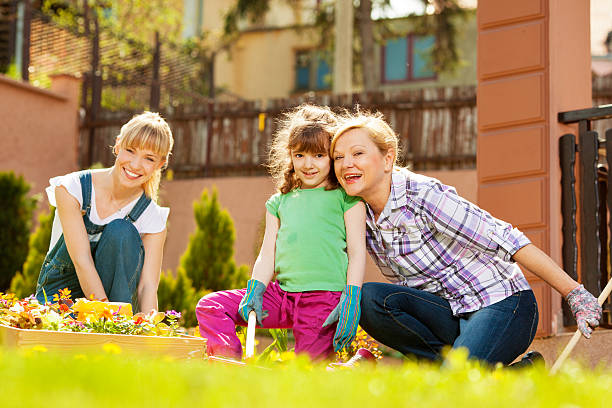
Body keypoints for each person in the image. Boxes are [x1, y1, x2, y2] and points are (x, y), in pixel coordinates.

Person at [330, 110, 602, 366]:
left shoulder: (422, 196)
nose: (347, 164)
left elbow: (507, 238)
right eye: (339, 157)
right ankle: (512, 374)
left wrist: (574, 293)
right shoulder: (356, 212)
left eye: (358, 153)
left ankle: (455, 375)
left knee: (458, 380)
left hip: (500, 303)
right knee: (370, 299)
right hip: (448, 312)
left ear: (388, 159)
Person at [196, 104, 366, 360]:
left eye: (318, 155)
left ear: (332, 156)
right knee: (211, 305)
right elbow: (267, 254)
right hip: (282, 296)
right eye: (299, 155)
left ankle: (360, 363)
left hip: (323, 302)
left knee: (306, 374)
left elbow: (356, 253)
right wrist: (256, 288)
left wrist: (351, 299)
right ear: (290, 157)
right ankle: (226, 361)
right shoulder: (279, 202)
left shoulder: (346, 198)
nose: (308, 164)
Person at [35, 111, 174, 313]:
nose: (135, 164)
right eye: (130, 150)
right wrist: (105, 317)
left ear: (161, 164)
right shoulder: (73, 188)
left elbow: (147, 287)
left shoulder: (152, 217)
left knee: (121, 231)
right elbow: (82, 261)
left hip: (118, 302)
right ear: (117, 145)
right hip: (62, 294)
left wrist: (147, 329)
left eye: (149, 158)